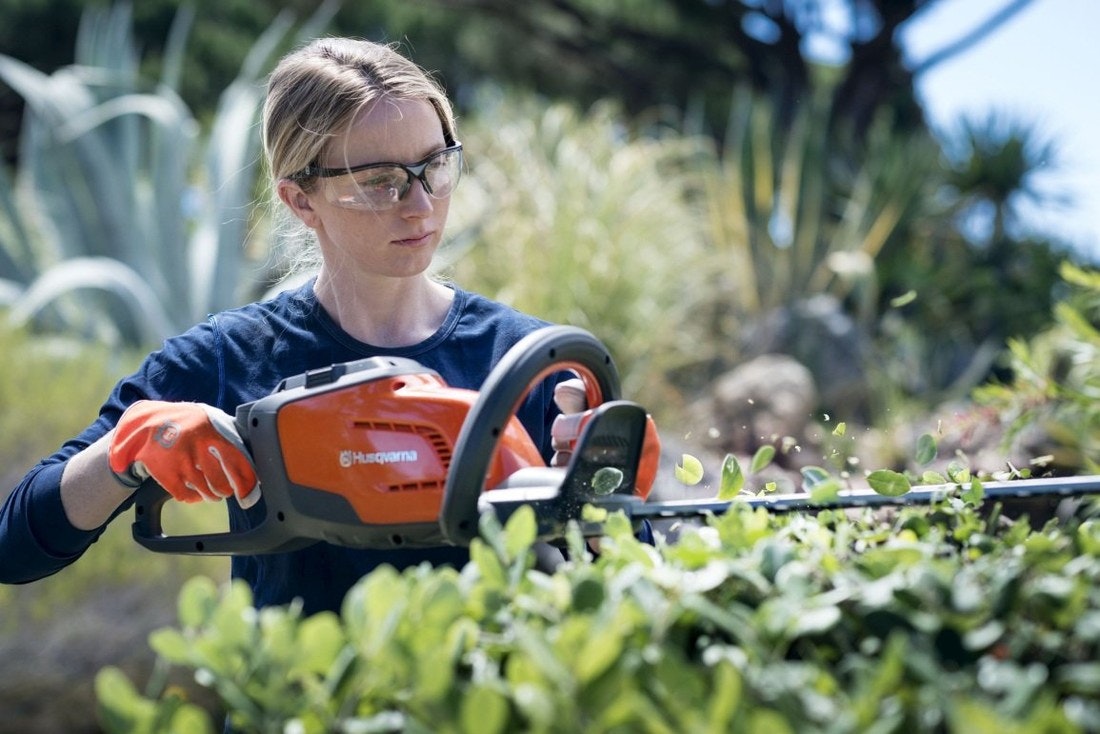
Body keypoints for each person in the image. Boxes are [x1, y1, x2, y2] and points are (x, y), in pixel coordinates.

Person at [0, 37, 581, 615]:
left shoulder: (526, 360)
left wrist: (596, 500)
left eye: (434, 166)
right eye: (381, 181)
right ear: (302, 200)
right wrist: (122, 454)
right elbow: (15, 547)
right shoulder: (234, 356)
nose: (420, 205)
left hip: (484, 707)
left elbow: (627, 579)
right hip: (293, 704)